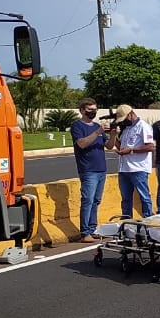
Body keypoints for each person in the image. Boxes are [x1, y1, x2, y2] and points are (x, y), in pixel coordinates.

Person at [70, 97, 109, 242]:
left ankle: (92, 229)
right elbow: (81, 144)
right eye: (90, 109)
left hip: (101, 169)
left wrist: (112, 135)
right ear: (82, 110)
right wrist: (98, 132)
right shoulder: (77, 126)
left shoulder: (97, 126)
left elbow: (109, 145)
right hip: (88, 169)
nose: (93, 112)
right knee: (87, 200)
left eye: (95, 109)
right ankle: (85, 232)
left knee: (96, 201)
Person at [106, 104, 154, 217]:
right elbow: (121, 147)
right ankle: (126, 220)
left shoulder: (143, 126)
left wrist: (131, 150)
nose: (123, 122)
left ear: (131, 114)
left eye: (124, 119)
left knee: (144, 197)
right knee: (125, 199)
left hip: (138, 168)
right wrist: (113, 135)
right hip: (124, 169)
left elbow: (150, 147)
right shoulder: (127, 129)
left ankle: (148, 219)